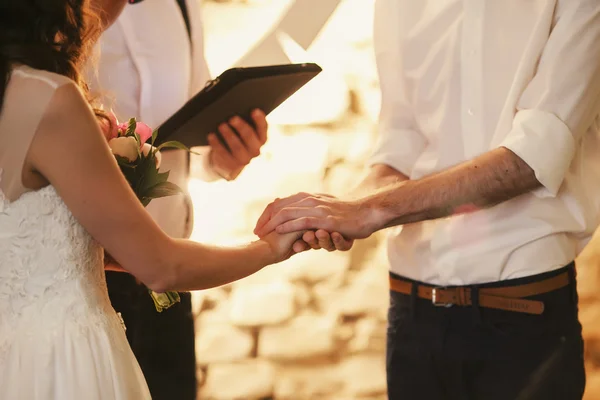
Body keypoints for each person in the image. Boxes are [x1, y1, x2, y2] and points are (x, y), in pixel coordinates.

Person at [256, 0, 600, 399]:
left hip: (522, 312)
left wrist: (367, 211)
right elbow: (398, 148)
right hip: (412, 312)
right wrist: (334, 209)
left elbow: (531, 159)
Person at [0, 0, 313, 398]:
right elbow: (162, 265)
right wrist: (273, 246)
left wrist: (220, 158)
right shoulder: (54, 96)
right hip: (79, 338)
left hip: (53, 325)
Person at [89, 1, 271, 398]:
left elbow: (193, 137)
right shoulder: (49, 15)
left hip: (168, 286)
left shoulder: (182, 5)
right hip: (85, 285)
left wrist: (223, 156)